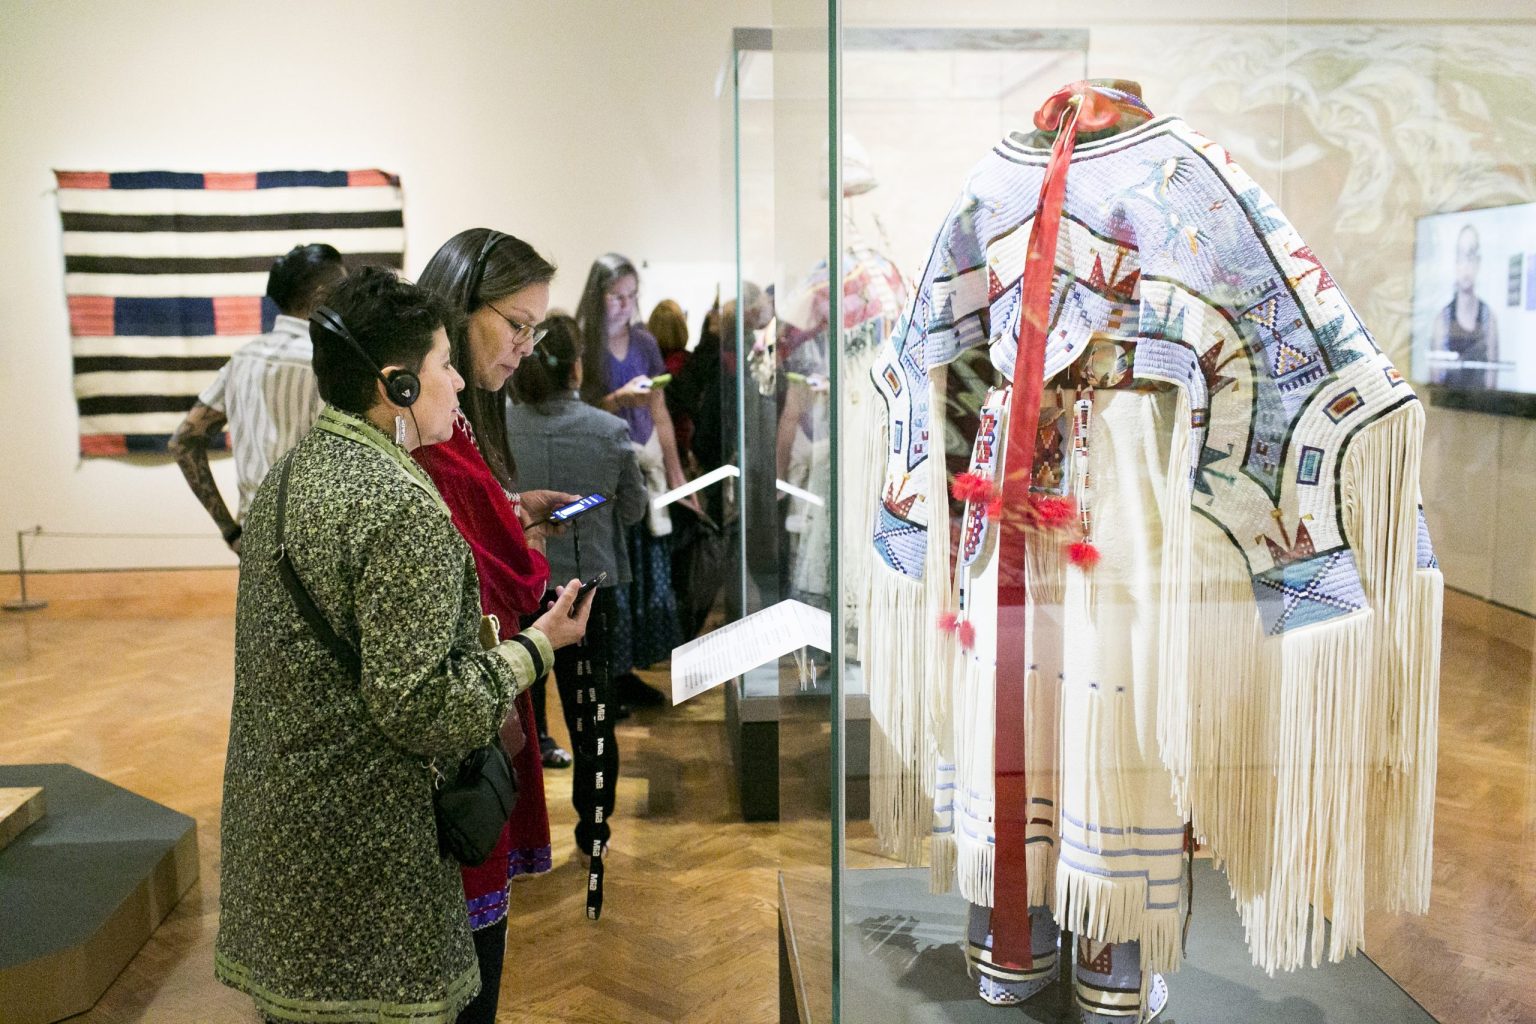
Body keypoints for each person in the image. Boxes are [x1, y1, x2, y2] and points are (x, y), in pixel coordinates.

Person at [215, 266, 590, 1024]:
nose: (457, 383)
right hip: (364, 855)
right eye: (444, 364)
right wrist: (537, 647)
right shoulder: (398, 507)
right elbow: (422, 708)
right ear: (399, 385)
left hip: (285, 846)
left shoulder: (293, 476)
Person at [414, 227, 574, 1024]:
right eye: (515, 324)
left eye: (536, 330)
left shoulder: (463, 423)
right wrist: (524, 566)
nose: (525, 347)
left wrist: (511, 518)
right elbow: (454, 575)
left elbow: (473, 541)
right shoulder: (427, 438)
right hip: (454, 722)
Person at [506, 312, 646, 854]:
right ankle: (594, 831)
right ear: (577, 368)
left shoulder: (500, 427)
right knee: (592, 718)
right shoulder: (608, 431)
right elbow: (632, 510)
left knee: (516, 714)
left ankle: (519, 837)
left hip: (520, 589)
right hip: (590, 592)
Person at [168, 243, 346, 552]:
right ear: (321, 295)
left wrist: (229, 531)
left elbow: (183, 440)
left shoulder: (242, 359)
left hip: (254, 542)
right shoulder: (330, 366)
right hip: (318, 547)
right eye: (343, 290)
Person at [575, 254, 688, 705]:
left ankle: (629, 671)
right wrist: (618, 400)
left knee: (647, 575)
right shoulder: (584, 346)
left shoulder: (643, 343)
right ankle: (610, 675)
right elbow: (579, 414)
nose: (625, 305)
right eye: (615, 296)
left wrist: (678, 478)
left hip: (645, 471)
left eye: (631, 296)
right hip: (604, 475)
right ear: (597, 296)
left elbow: (660, 412)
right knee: (614, 578)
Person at [1432, 223, 1501, 389]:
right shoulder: (1442, 319)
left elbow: (1492, 382)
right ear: (1455, 262)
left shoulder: (1488, 318)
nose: (1466, 265)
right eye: (1461, 256)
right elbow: (1434, 382)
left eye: (1470, 255)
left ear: (1478, 262)